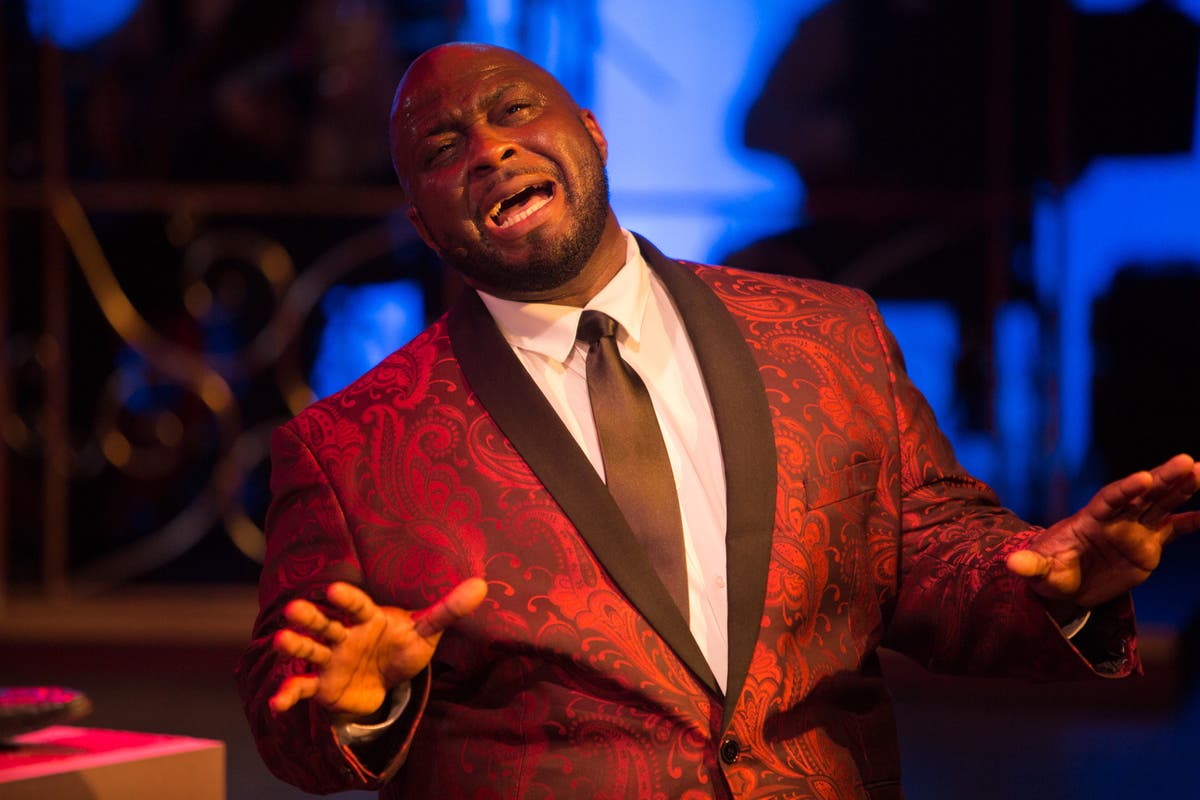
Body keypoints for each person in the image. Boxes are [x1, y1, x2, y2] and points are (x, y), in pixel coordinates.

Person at [236, 42, 1200, 799]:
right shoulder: (347, 445)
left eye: (515, 109)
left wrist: (1055, 580)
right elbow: (290, 709)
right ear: (421, 220)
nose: (489, 149)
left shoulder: (828, 334)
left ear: (592, 132)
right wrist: (360, 707)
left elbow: (928, 550)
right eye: (442, 150)